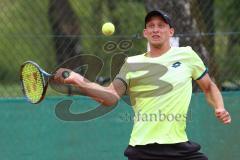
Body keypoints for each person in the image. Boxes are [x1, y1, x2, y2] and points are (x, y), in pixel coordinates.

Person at [53, 10, 231, 160]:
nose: (155, 29)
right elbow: (111, 96)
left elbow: (209, 86)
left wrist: (219, 107)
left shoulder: (187, 56)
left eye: (161, 25)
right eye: (151, 26)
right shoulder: (131, 64)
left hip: (179, 146)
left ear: (171, 32)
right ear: (145, 33)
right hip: (143, 148)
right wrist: (78, 79)